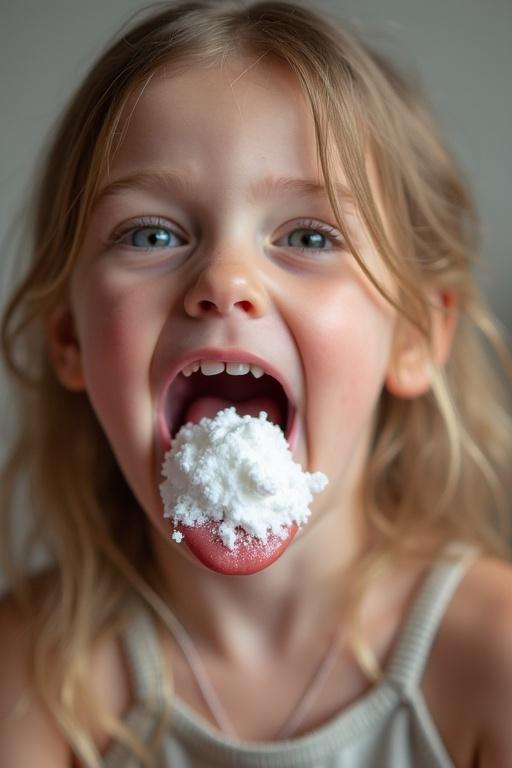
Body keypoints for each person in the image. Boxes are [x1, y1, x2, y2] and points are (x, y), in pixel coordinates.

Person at [1, 1, 512, 765]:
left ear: (411, 336)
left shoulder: (490, 660)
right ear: (70, 337)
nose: (225, 280)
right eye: (152, 233)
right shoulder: (34, 674)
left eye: (309, 236)